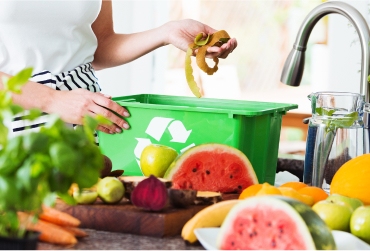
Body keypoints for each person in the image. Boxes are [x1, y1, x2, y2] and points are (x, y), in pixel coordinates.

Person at [0, 0, 237, 139]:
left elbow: (100, 46)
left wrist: (166, 32)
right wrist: (52, 100)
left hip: (84, 124)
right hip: (12, 122)